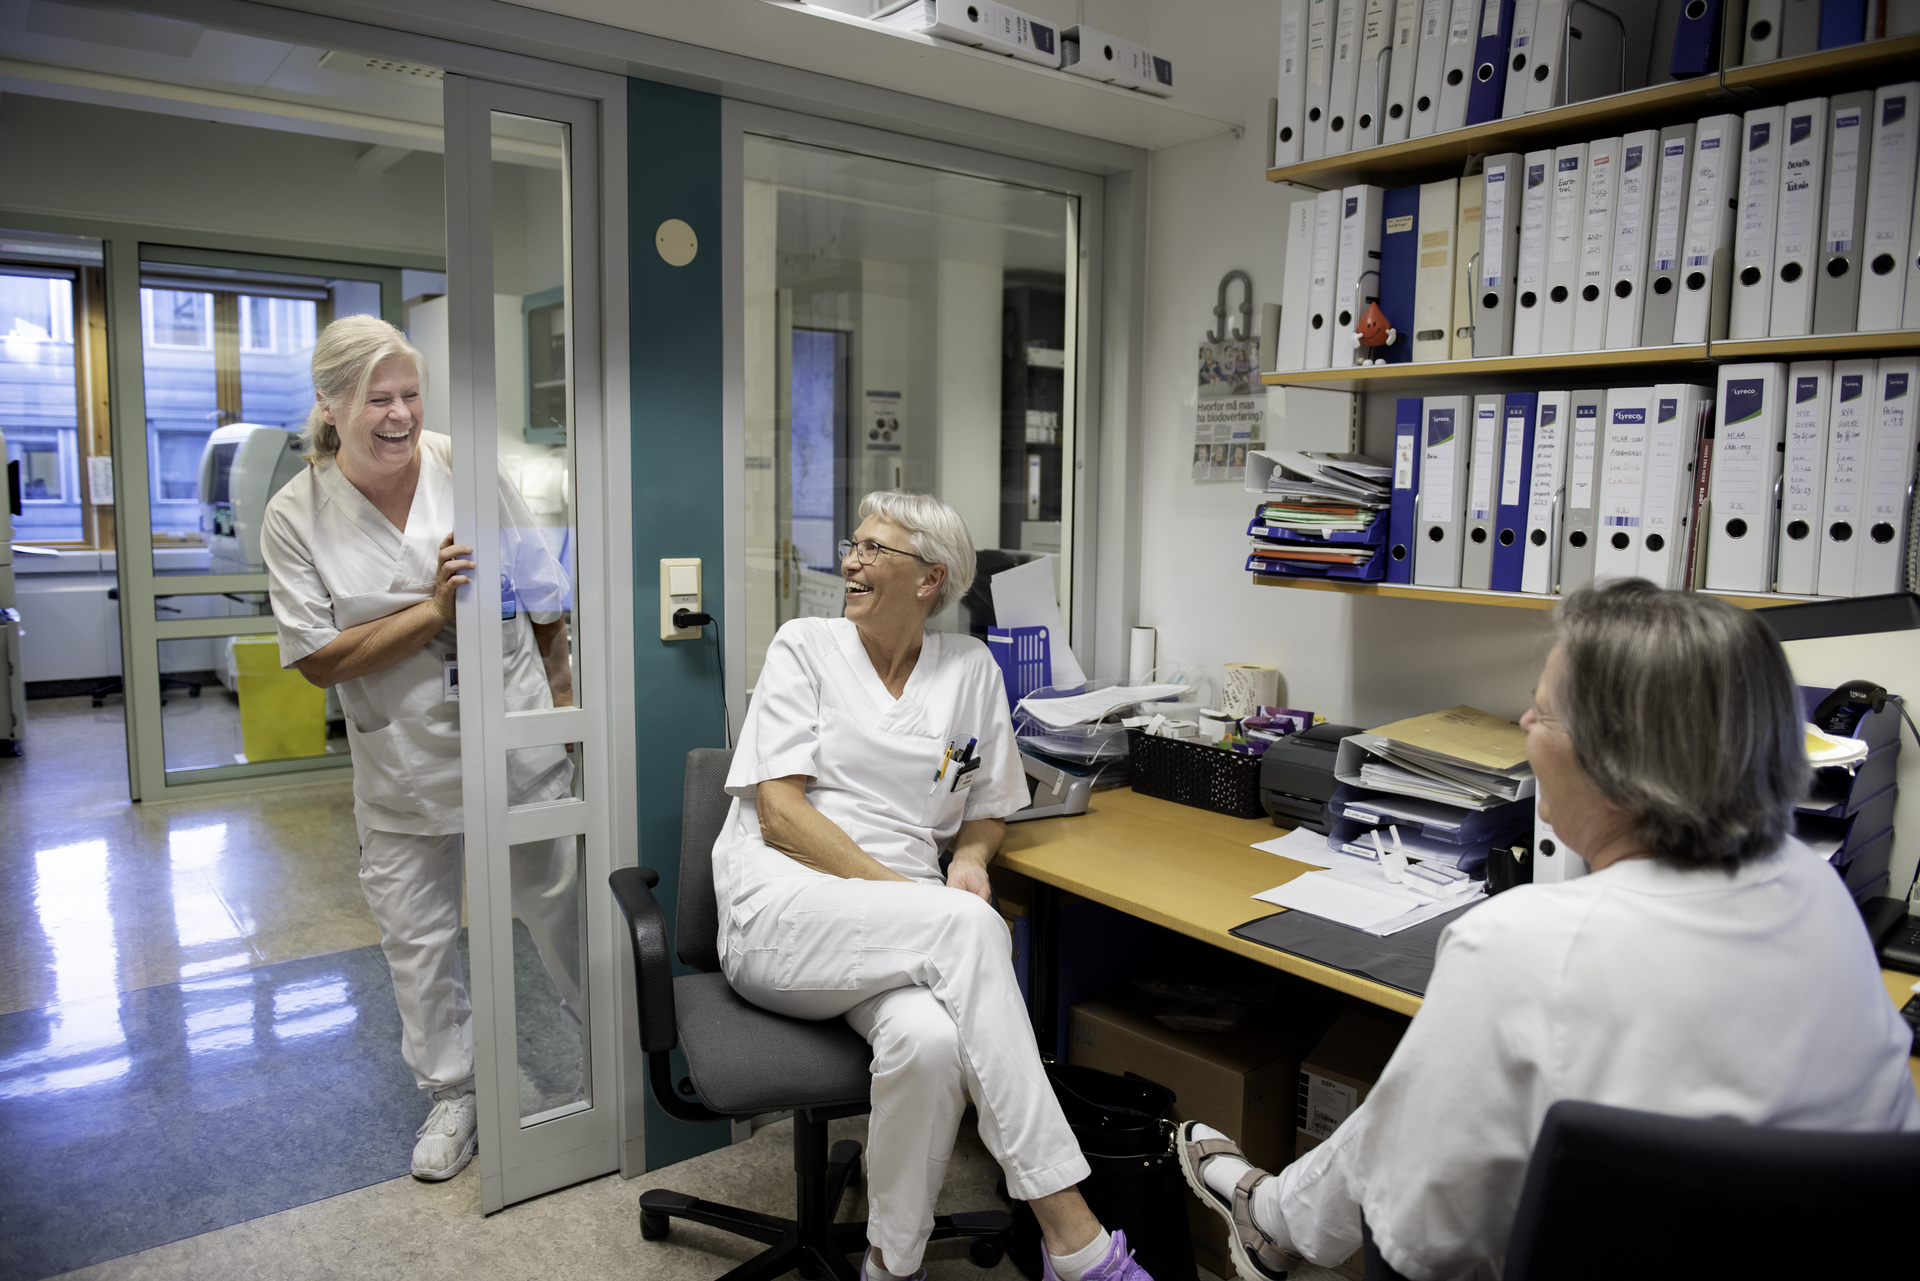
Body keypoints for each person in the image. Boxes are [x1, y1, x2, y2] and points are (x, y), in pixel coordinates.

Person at [1176, 578, 1920, 1281]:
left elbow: (1419, 1236)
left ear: (1616, 756)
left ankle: (1276, 1218)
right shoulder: (1816, 888)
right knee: (1430, 1096)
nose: (1525, 729)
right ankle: (1274, 1216)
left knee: (1429, 1113)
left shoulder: (1520, 945)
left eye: (1541, 713)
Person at [714, 491, 1152, 1281]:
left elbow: (986, 811)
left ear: (930, 579)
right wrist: (918, 900)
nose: (850, 560)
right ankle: (1075, 1236)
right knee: (969, 930)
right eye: (854, 544)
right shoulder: (804, 646)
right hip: (782, 910)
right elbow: (779, 813)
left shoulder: (969, 669)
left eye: (874, 548)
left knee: (932, 1042)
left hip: (898, 934)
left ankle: (891, 1261)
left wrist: (971, 863)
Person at [261, 315, 583, 1182]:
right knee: (418, 934)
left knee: (560, 904)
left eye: (411, 393)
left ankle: (612, 1050)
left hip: (510, 734)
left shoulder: (465, 471)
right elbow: (319, 660)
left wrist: (557, 704)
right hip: (401, 757)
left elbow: (548, 597)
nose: (401, 414)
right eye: (379, 399)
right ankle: (455, 1092)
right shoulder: (297, 516)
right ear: (329, 407)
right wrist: (432, 614)